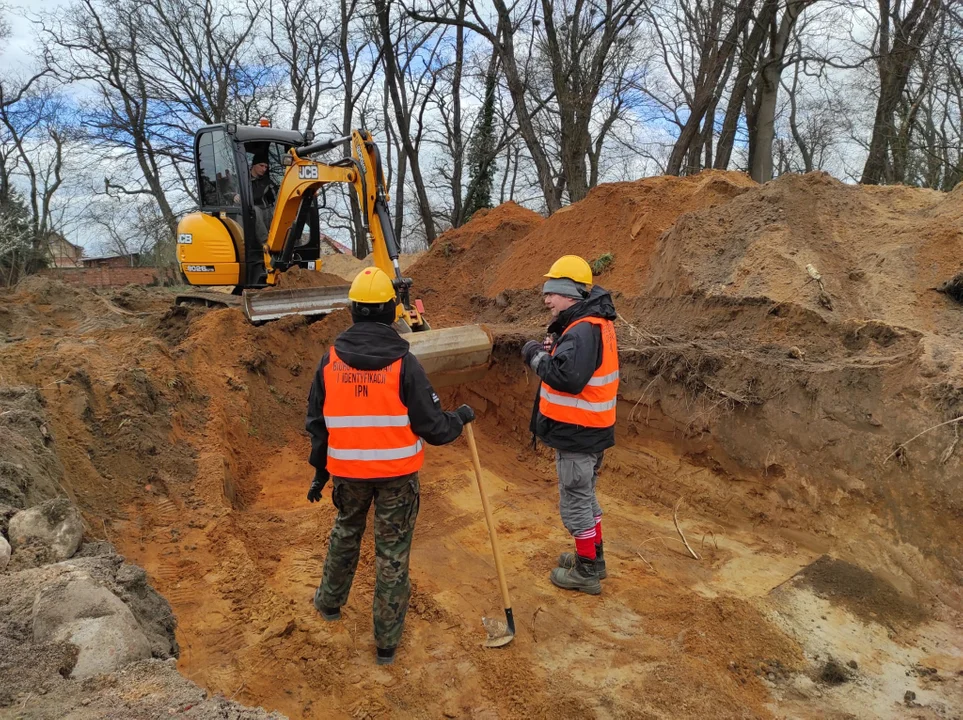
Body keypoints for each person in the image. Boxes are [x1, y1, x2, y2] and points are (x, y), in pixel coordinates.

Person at [304, 267, 475, 665]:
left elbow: (317, 424)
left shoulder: (329, 363)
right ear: (390, 311)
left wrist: (320, 470)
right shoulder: (405, 365)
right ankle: (386, 643)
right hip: (396, 478)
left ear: (352, 311)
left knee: (345, 532)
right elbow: (433, 427)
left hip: (348, 474)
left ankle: (329, 603)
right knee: (392, 552)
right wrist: (460, 418)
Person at [520, 255, 619, 595]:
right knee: (586, 496)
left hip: (577, 432)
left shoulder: (583, 329)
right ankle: (594, 558)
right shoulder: (592, 324)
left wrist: (536, 356)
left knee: (575, 501)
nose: (546, 300)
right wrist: (556, 350)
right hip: (591, 429)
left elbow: (568, 378)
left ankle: (586, 571)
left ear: (570, 294)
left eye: (552, 293)